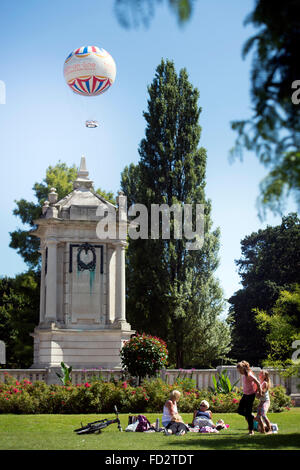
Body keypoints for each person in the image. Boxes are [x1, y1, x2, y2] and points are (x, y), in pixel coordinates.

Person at [236, 361, 262, 435]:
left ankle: (251, 431)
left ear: (244, 368)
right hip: (245, 395)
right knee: (240, 411)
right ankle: (251, 416)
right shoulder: (244, 374)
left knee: (247, 413)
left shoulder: (249, 375)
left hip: (250, 395)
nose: (239, 372)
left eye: (240, 370)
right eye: (238, 370)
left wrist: (259, 392)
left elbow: (258, 383)